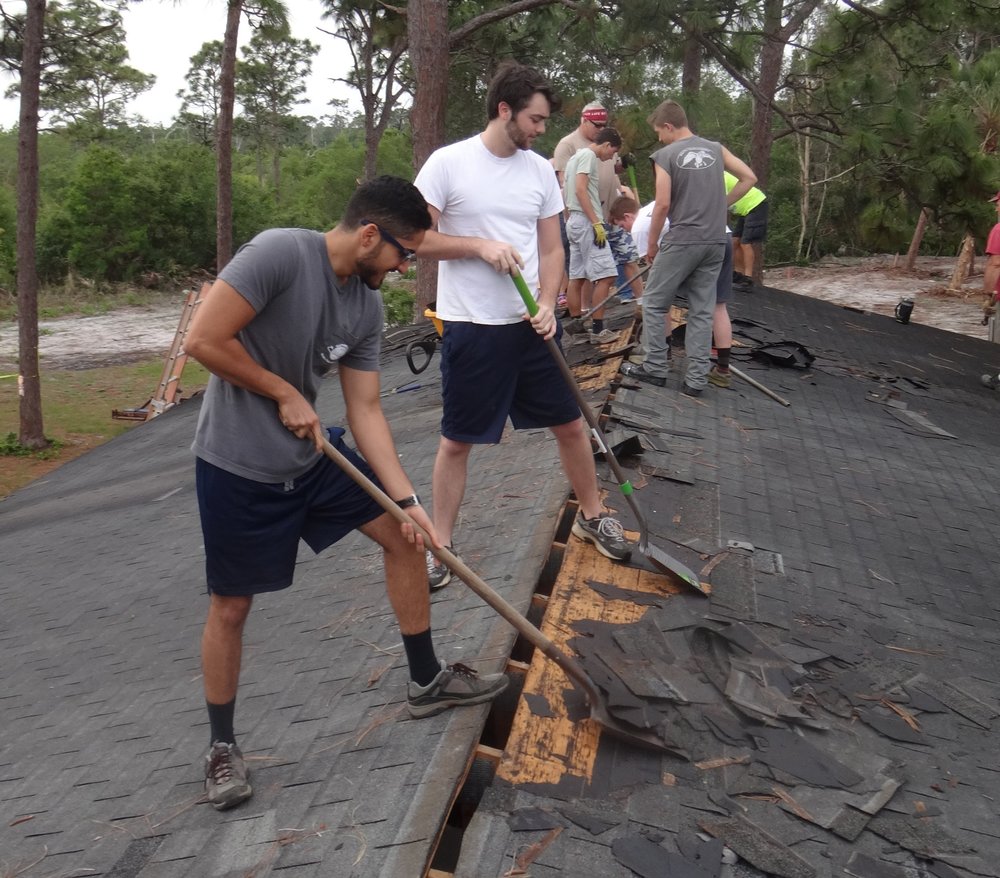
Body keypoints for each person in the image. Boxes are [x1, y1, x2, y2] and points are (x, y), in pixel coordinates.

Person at [185, 176, 509, 812]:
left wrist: (408, 502)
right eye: (403, 253)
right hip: (238, 465)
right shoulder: (279, 253)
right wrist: (281, 390)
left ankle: (426, 679)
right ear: (368, 235)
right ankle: (221, 746)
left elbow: (366, 410)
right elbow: (203, 340)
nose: (404, 267)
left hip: (313, 457)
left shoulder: (365, 308)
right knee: (231, 606)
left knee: (404, 537)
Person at [413, 61, 632, 591]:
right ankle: (441, 545)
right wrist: (478, 246)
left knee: (571, 425)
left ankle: (592, 515)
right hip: (472, 326)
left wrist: (549, 302)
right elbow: (417, 239)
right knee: (457, 441)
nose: (541, 130)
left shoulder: (538, 171)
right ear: (504, 109)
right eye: (534, 119)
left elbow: (552, 248)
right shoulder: (448, 164)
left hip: (532, 326)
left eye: (544, 121)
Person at [622, 99, 756, 396]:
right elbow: (750, 178)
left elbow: (662, 204)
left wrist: (652, 243)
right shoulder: (715, 148)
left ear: (669, 126)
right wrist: (722, 204)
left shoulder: (665, 155)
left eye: (659, 132)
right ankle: (695, 381)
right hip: (715, 240)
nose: (659, 138)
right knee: (702, 310)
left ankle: (655, 367)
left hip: (683, 239)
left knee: (654, 302)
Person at [564, 127, 623, 342]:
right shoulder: (588, 156)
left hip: (574, 221)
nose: (610, 157)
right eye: (612, 152)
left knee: (577, 276)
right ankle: (598, 331)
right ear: (606, 145)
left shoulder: (574, 158)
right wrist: (596, 222)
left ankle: (577, 328)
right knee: (607, 275)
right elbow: (580, 189)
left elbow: (566, 190)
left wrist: (569, 218)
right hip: (586, 221)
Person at [726, 171, 768, 288]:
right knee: (734, 241)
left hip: (756, 204)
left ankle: (748, 278)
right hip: (745, 210)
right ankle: (738, 274)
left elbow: (716, 203)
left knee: (745, 243)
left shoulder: (719, 178)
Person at [608, 194, 646, 309]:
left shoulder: (638, 229)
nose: (623, 229)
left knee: (629, 260)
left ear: (627, 217)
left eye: (622, 226)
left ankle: (641, 302)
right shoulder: (639, 223)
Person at [980, 191, 1000, 389]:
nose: (996, 208)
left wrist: (988, 295)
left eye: (998, 203)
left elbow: (996, 264)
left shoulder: (999, 230)